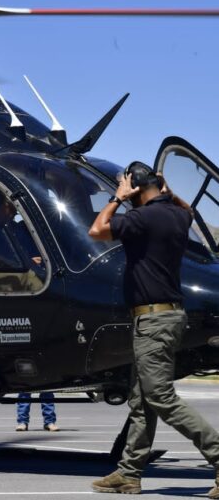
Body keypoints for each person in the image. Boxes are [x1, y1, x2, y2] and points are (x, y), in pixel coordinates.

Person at [88, 162, 219, 496]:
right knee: (142, 399)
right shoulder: (177, 216)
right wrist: (165, 189)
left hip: (153, 320)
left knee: (159, 397)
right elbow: (188, 208)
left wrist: (117, 198)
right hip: (169, 318)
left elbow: (97, 230)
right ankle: (129, 472)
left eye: (128, 185)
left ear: (134, 186)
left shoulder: (141, 218)